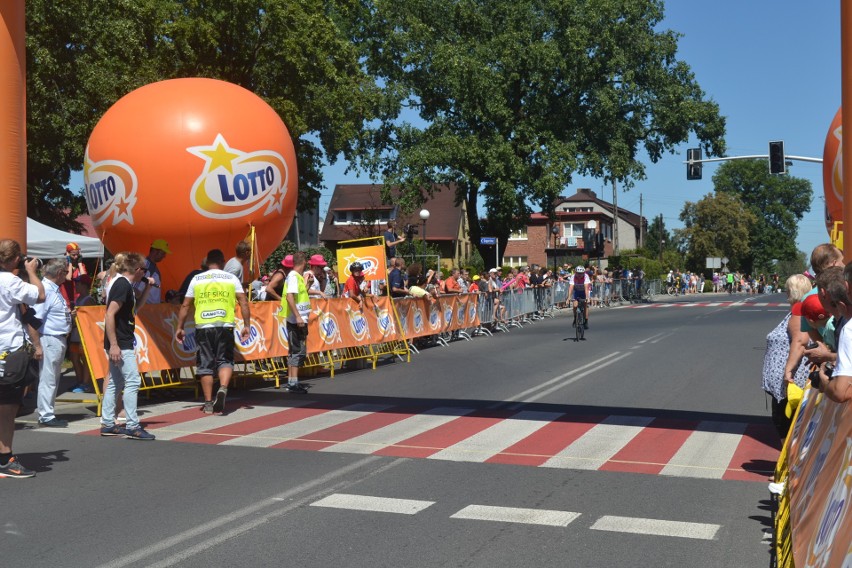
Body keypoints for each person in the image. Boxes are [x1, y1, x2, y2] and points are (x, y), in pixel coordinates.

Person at [176, 249, 251, 414]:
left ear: (207, 261)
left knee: (205, 364)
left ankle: (208, 403)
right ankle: (223, 388)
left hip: (203, 326)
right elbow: (243, 302)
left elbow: (185, 305)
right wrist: (247, 324)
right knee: (225, 360)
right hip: (224, 324)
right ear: (223, 262)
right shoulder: (231, 278)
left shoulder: (197, 278)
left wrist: (180, 327)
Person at [100, 252, 157, 440]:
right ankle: (133, 425)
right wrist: (114, 345)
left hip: (122, 339)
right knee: (133, 381)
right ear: (138, 270)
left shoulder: (127, 286)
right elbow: (110, 314)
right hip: (121, 341)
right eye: (145, 270)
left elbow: (134, 310)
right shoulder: (122, 285)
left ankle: (108, 423)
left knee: (116, 382)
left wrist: (147, 288)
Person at [0, 241, 45, 477]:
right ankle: (5, 459)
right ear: (16, 259)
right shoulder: (9, 281)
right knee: (7, 409)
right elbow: (40, 294)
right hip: (7, 350)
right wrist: (32, 272)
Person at [761, 274, 813, 439]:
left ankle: (789, 463)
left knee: (786, 424)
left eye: (788, 289)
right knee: (786, 423)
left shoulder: (798, 312)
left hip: (790, 381)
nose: (785, 292)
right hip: (787, 381)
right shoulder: (798, 311)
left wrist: (788, 371)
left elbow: (799, 341)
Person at [33, 259, 72, 428]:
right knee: (48, 377)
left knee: (52, 377)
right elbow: (36, 319)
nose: (66, 275)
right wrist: (37, 345)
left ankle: (48, 412)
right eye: (65, 272)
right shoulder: (46, 290)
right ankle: (46, 414)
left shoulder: (52, 289)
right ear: (58, 273)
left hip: (56, 337)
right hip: (50, 338)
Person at [282, 252, 311, 393]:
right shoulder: (293, 276)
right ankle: (293, 384)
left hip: (299, 319)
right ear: (304, 262)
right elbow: (289, 297)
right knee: (297, 351)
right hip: (296, 320)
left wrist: (307, 285)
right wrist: (298, 316)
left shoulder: (297, 277)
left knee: (296, 351)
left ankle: (292, 382)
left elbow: (299, 295)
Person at [69, 274, 95, 393]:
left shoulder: (89, 300)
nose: (75, 285)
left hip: (83, 334)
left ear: (84, 285)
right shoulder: (77, 299)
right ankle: (80, 381)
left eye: (78, 283)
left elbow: (90, 320)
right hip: (75, 333)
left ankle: (85, 383)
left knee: (85, 359)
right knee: (74, 357)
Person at [135, 239, 171, 304]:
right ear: (155, 251)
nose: (164, 256)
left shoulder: (151, 266)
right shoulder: (146, 266)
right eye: (163, 253)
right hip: (144, 310)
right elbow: (136, 291)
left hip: (150, 309)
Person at [569, 265, 591, 329]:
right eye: (578, 273)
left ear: (584, 273)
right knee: (575, 305)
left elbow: (586, 288)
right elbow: (570, 288)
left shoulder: (586, 276)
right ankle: (575, 318)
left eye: (581, 273)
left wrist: (587, 297)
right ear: (575, 272)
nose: (579, 275)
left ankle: (586, 321)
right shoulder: (573, 277)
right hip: (577, 291)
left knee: (585, 305)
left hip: (584, 292)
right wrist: (568, 298)